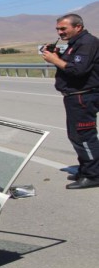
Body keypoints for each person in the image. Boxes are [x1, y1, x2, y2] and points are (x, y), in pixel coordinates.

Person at [41, 13, 99, 189]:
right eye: (58, 29)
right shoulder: (75, 44)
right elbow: (71, 64)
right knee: (76, 135)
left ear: (78, 27)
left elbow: (78, 70)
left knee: (84, 135)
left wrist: (55, 60)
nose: (60, 32)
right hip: (75, 96)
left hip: (83, 95)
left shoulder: (87, 42)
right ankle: (86, 169)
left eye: (63, 28)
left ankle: (93, 175)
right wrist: (57, 55)